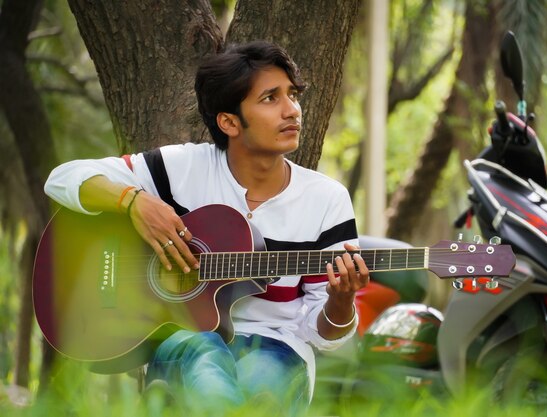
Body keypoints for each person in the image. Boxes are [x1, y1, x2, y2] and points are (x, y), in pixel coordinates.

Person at [44, 40, 369, 415]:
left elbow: (323, 336)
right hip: (180, 337)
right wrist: (133, 201)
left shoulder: (326, 199)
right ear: (229, 122)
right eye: (270, 98)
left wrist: (341, 300)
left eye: (292, 95)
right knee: (203, 354)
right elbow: (63, 178)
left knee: (259, 385)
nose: (291, 110)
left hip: (276, 346)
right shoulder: (182, 169)